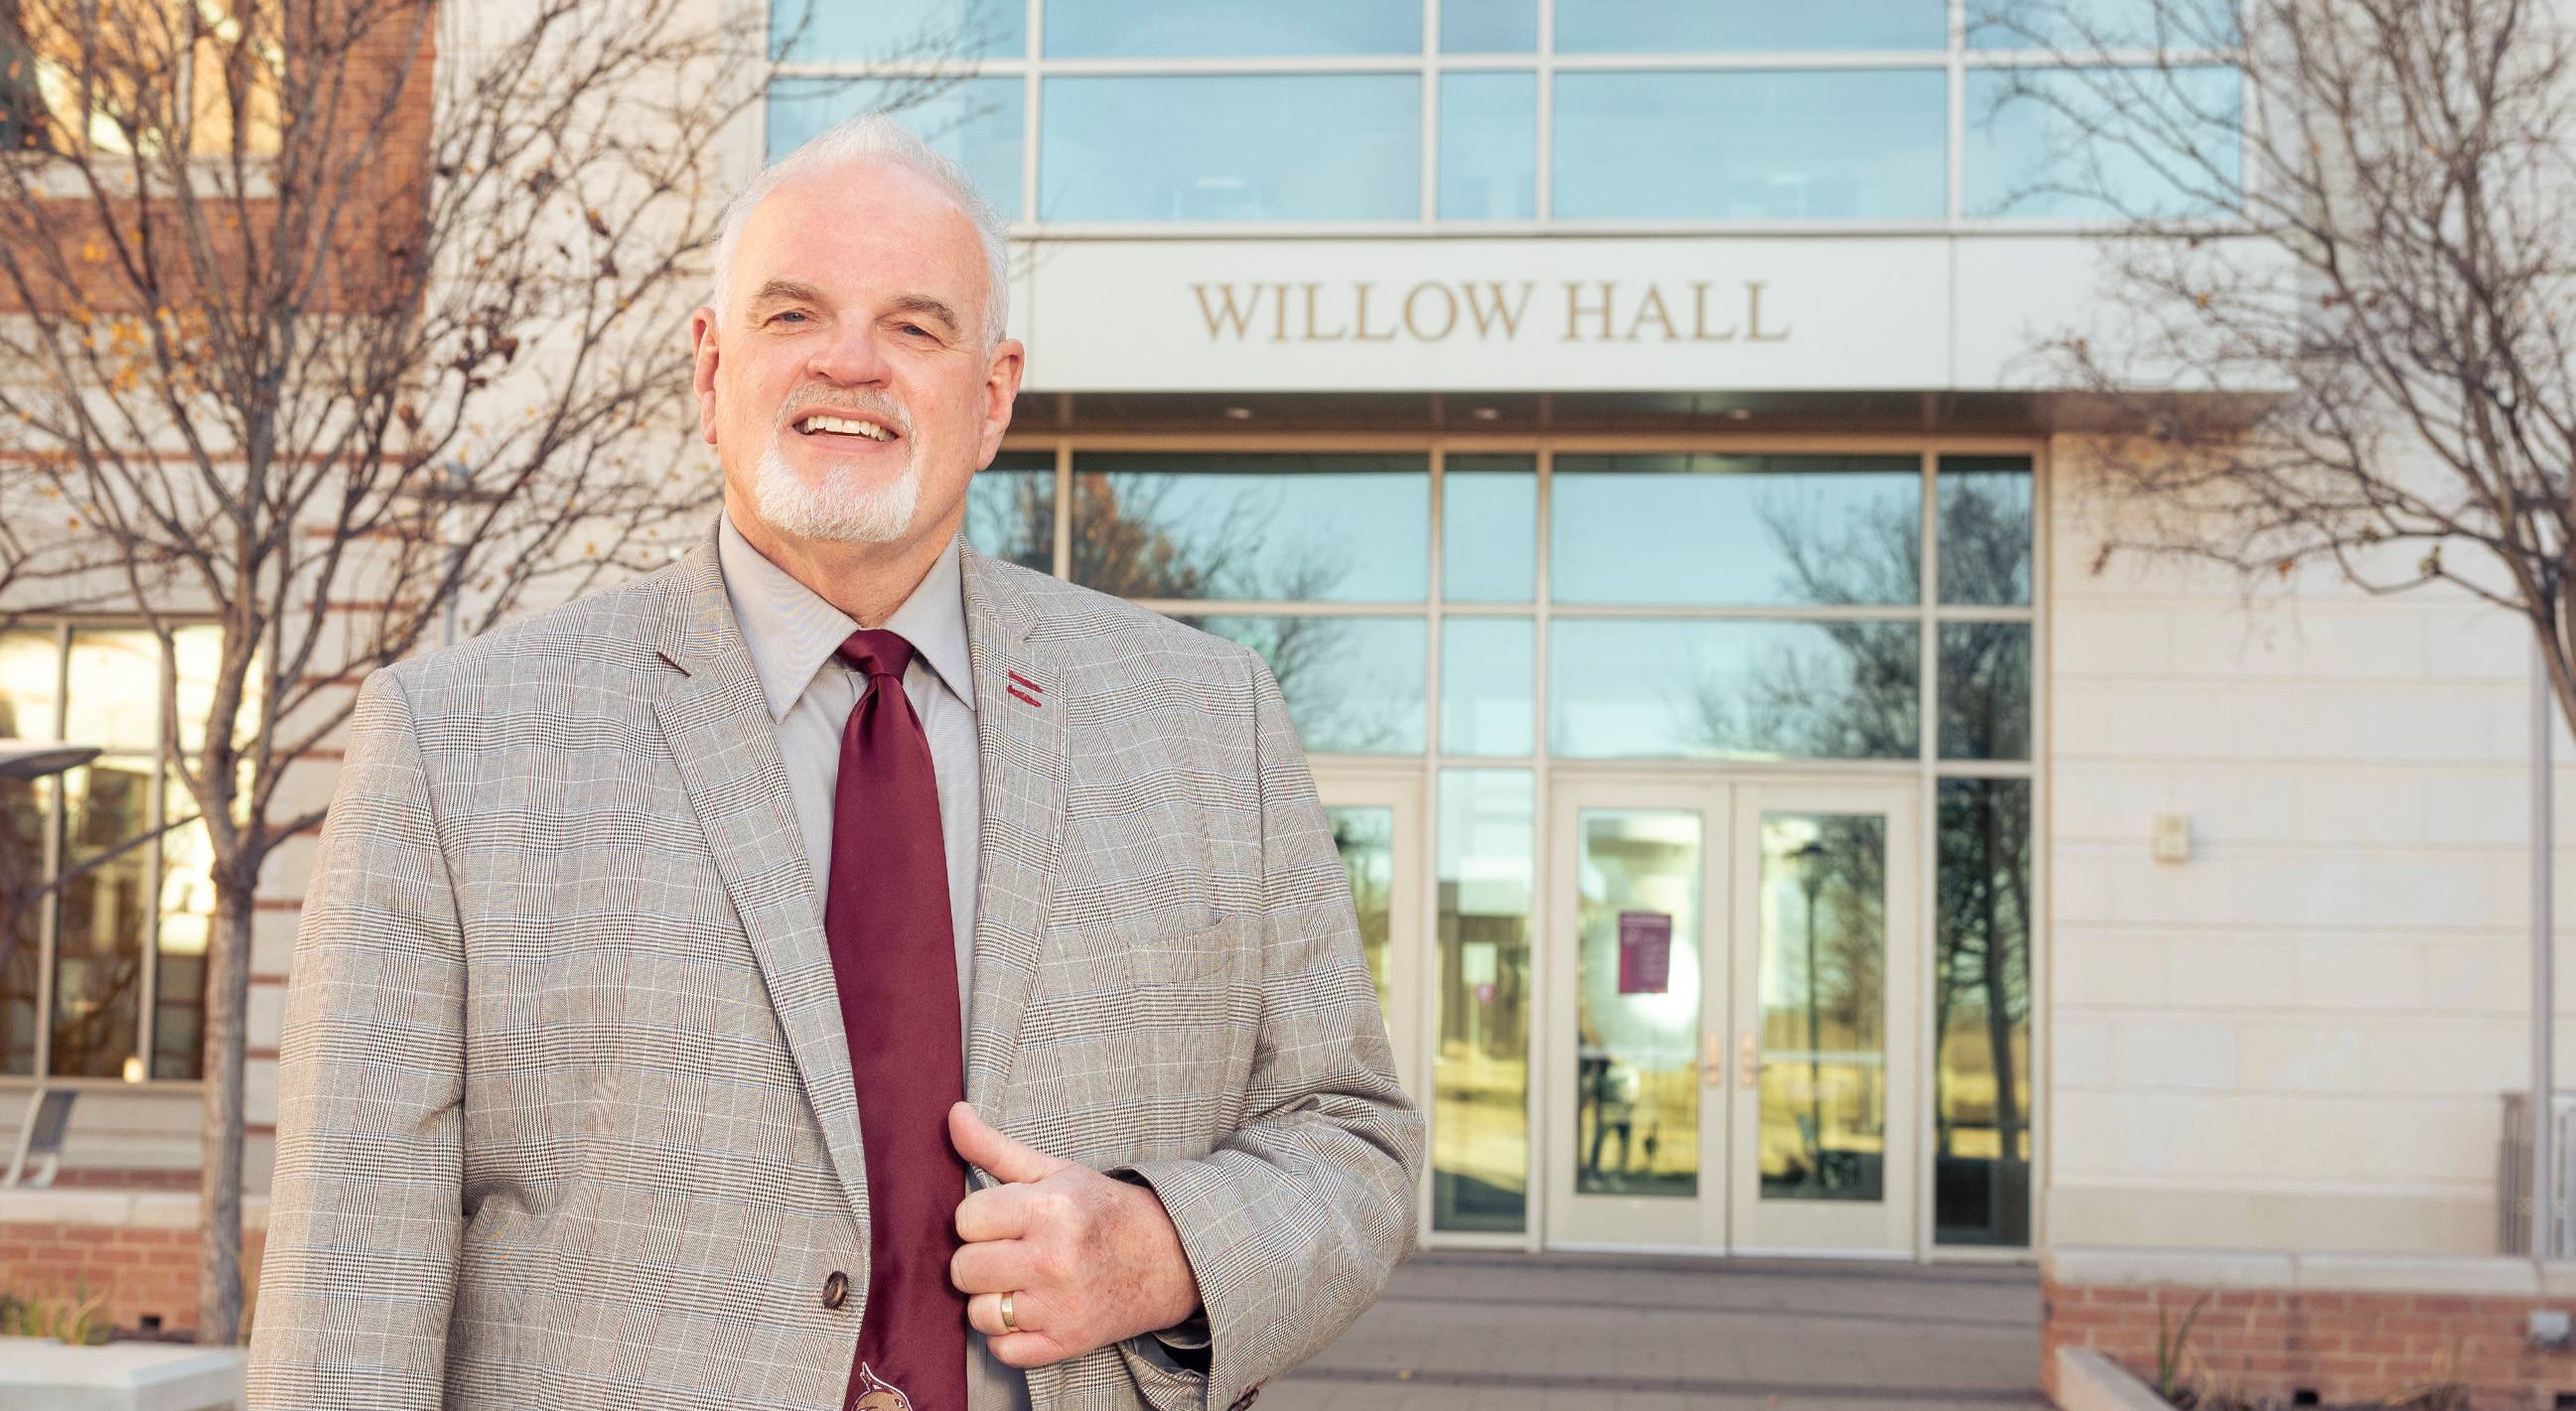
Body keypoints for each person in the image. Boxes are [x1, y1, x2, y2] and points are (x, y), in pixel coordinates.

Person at [245, 114, 1422, 1411]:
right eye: (793, 313)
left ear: (992, 395)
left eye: (914, 326)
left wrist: (1167, 1246)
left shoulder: (1210, 723)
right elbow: (345, 1304)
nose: (849, 361)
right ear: (708, 370)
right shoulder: (454, 743)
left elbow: (1349, 1141)